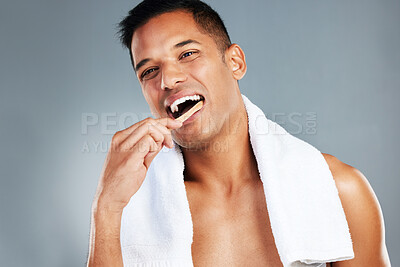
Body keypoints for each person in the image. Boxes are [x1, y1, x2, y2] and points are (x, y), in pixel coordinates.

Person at [86, 0, 390, 266]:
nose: (168, 79)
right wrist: (106, 208)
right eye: (149, 71)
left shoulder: (340, 190)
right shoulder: (126, 209)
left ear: (235, 62)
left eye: (188, 53)